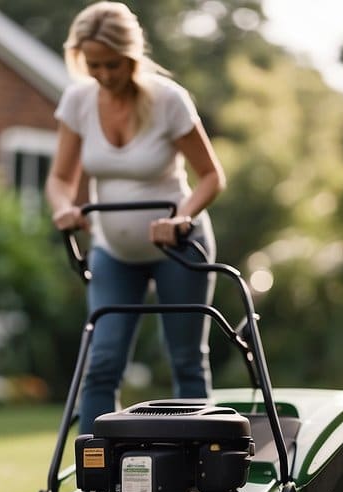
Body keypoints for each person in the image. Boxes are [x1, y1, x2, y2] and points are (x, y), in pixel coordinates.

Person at [46, 1, 226, 435]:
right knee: (102, 361)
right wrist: (64, 208)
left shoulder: (168, 100)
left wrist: (181, 218)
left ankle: (197, 469)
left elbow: (211, 177)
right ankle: (95, 473)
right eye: (94, 65)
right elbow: (59, 178)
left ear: (132, 56)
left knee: (184, 358)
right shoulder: (78, 101)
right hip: (114, 249)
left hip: (178, 249)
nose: (105, 75)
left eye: (113, 64)